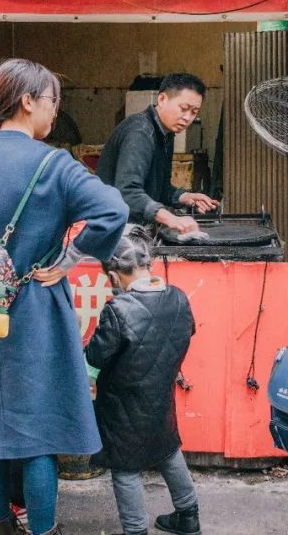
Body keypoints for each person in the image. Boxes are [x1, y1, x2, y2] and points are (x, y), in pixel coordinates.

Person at [0, 58, 128, 535]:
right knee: (40, 432)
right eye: (52, 101)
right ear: (27, 102)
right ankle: (42, 529)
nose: (54, 112)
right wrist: (69, 259)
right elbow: (113, 209)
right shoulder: (53, 163)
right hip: (37, 311)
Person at [85, 228, 200, 535]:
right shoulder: (178, 298)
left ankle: (136, 530)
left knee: (125, 469)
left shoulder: (118, 310)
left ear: (115, 274)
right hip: (161, 397)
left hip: (122, 407)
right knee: (168, 451)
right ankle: (188, 517)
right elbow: (186, 335)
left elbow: (96, 356)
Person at [97, 73, 217, 235]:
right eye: (183, 108)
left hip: (135, 227)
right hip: (113, 229)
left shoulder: (166, 133)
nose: (187, 117)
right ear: (162, 99)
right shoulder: (140, 132)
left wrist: (185, 196)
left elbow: (160, 189)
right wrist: (170, 218)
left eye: (194, 112)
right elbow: (127, 192)